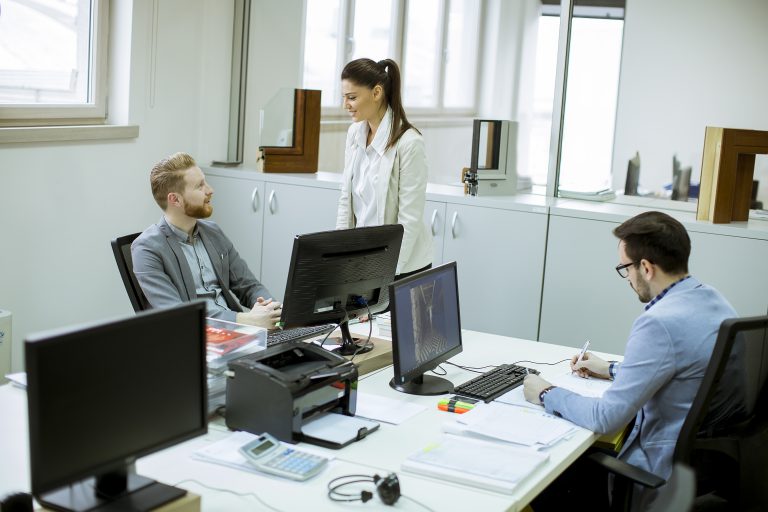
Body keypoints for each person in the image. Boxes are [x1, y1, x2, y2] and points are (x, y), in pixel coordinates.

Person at [523, 211, 737, 510]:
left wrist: (546, 392)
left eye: (626, 268)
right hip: (706, 467)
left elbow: (606, 417)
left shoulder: (659, 323)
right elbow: (686, 370)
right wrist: (609, 369)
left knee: (542, 473)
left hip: (656, 472)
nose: (628, 278)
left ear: (646, 267)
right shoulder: (715, 301)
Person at [132, 152, 281, 329]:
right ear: (175, 199)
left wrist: (269, 310)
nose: (210, 190)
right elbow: (178, 316)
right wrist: (246, 320)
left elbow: (248, 285)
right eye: (199, 186)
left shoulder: (213, 232)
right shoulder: (146, 249)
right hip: (196, 341)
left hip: (240, 333)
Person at [336, 58, 432, 279]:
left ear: (376, 92)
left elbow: (409, 218)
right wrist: (339, 255)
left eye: (352, 97)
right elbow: (345, 200)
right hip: (364, 259)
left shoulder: (409, 143)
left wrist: (389, 271)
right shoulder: (354, 134)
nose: (346, 105)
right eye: (344, 97)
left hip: (404, 265)